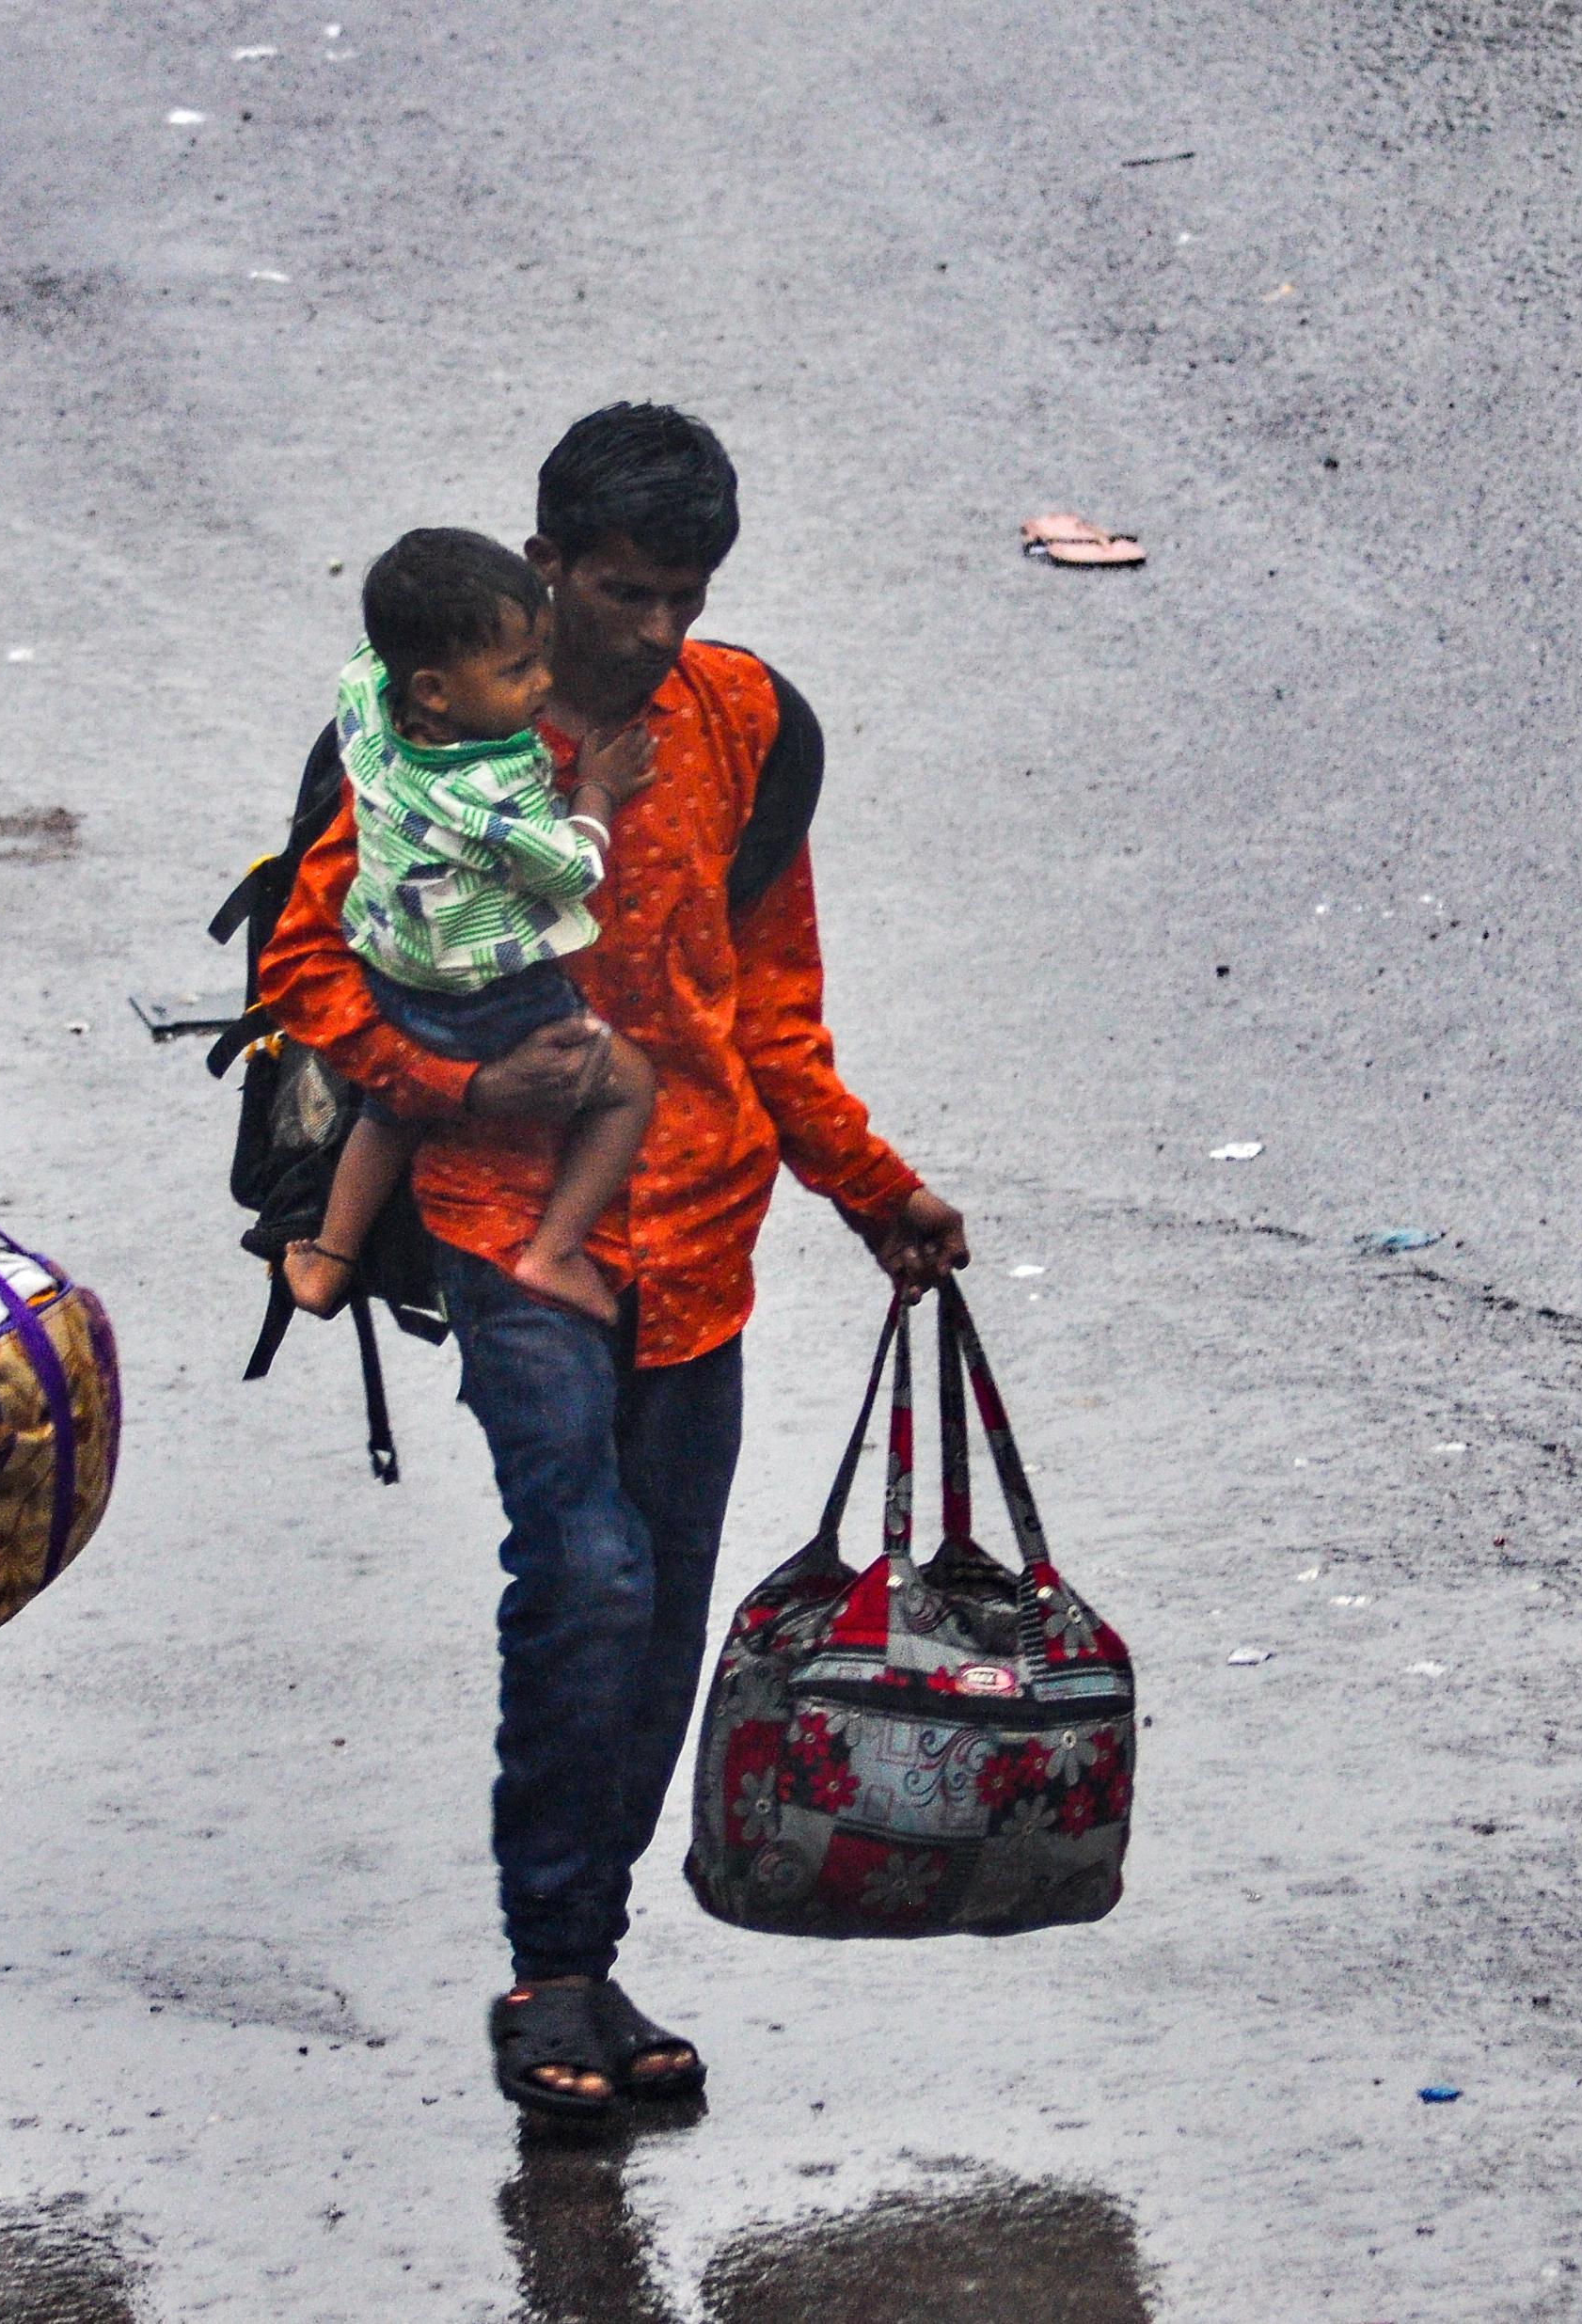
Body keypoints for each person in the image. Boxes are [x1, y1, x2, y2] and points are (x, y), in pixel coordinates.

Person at [259, 403, 970, 2114]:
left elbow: (769, 1009)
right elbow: (306, 968)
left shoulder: (747, 727)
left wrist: (872, 1190)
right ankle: (550, 1968)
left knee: (657, 1623)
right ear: (547, 563)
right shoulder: (428, 737)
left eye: (685, 597)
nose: (656, 632)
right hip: (506, 1227)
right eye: (623, 593)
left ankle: (583, 1950)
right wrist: (457, 1086)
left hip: (701, 1232)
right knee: (584, 1569)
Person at [282, 529, 660, 1328]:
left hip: (395, 977)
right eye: (518, 669)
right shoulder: (489, 788)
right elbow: (572, 869)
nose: (543, 682)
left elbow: (369, 659)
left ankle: (327, 1258)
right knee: (629, 1086)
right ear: (433, 689)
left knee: (390, 1112)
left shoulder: (371, 708)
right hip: (484, 999)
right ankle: (554, 1249)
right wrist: (596, 790)